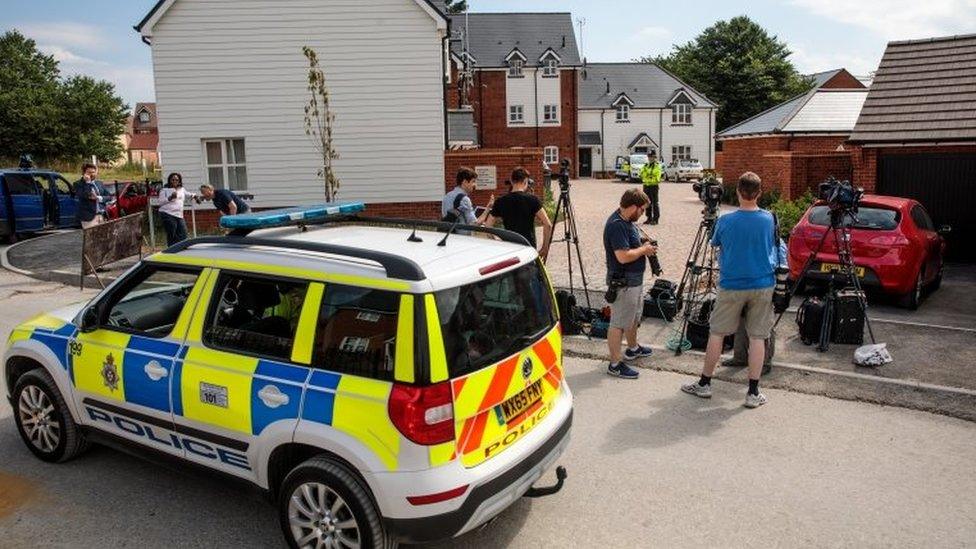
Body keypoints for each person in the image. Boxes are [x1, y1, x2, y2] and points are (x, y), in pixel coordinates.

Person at [681, 172, 777, 408]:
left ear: (737, 192)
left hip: (732, 283)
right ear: (759, 192)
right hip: (762, 283)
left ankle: (705, 383)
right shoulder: (769, 219)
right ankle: (753, 391)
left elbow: (715, 244)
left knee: (718, 333)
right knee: (758, 337)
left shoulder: (725, 221)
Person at [603, 188, 658, 379]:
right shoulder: (616, 225)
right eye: (641, 210)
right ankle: (615, 364)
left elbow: (631, 243)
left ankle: (633, 348)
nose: (642, 214)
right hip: (623, 282)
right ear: (633, 207)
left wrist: (642, 242)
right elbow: (623, 256)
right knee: (618, 323)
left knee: (633, 317)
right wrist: (644, 250)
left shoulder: (627, 222)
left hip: (634, 281)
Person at [485, 167, 553, 258]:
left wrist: (495, 240)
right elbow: (548, 224)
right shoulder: (533, 200)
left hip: (509, 247)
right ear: (526, 181)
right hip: (528, 247)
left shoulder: (500, 201)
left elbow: (488, 226)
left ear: (511, 181)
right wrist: (545, 248)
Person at [75, 163, 112, 229]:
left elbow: (109, 197)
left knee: (103, 237)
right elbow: (85, 195)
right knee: (91, 238)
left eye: (93, 172)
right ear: (84, 173)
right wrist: (88, 183)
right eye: (89, 172)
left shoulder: (99, 183)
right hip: (89, 218)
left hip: (102, 215)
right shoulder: (78, 184)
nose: (92, 174)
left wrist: (98, 198)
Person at [158, 172, 189, 246]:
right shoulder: (165, 190)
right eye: (173, 180)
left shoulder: (181, 189)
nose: (175, 181)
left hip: (179, 215)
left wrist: (195, 196)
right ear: (169, 180)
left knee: (183, 233)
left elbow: (188, 194)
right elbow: (160, 202)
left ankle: (181, 249)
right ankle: (171, 250)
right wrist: (170, 197)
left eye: (177, 180)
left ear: (179, 181)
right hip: (167, 214)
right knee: (172, 232)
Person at [640, 153, 662, 225]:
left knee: (654, 203)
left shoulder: (657, 166)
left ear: (655, 158)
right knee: (647, 202)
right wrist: (649, 175)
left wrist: (648, 175)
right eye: (649, 157)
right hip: (646, 185)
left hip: (654, 186)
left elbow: (657, 176)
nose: (650, 158)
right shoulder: (646, 165)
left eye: (652, 157)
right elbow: (641, 174)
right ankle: (649, 218)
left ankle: (655, 219)